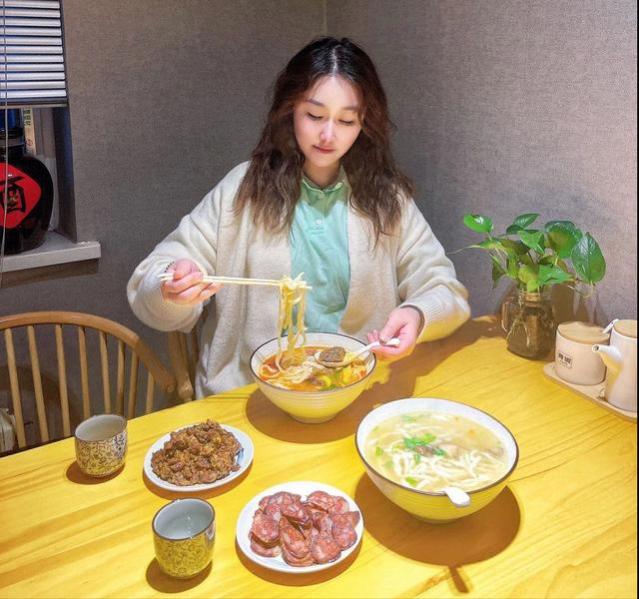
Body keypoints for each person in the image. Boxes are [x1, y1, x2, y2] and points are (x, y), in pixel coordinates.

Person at [127, 37, 470, 398]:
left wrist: (417, 315)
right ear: (290, 109)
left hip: (356, 392)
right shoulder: (243, 190)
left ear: (364, 122)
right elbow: (150, 283)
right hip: (251, 395)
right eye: (315, 115)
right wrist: (172, 287)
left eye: (346, 120)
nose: (328, 134)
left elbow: (446, 289)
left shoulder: (387, 198)